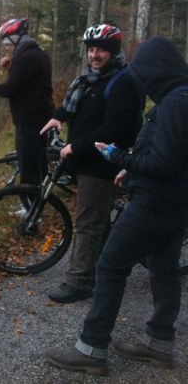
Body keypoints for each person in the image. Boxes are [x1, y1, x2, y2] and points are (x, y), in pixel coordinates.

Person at [45, 36, 188, 376]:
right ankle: (158, 345)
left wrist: (117, 156)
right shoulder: (181, 97)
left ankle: (91, 349)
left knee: (109, 265)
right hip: (176, 203)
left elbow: (164, 166)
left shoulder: (174, 105)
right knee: (163, 267)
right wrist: (131, 165)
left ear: (155, 71)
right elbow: (172, 156)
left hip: (156, 202)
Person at [39, 25, 143, 304]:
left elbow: (115, 128)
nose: (94, 55)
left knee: (88, 224)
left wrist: (76, 145)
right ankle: (101, 270)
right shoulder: (93, 79)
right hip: (87, 162)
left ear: (113, 52)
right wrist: (58, 117)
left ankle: (79, 282)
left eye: (101, 50)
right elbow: (79, 106)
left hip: (102, 164)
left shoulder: (123, 82)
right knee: (99, 221)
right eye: (91, 49)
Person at [0, 18, 53, 186]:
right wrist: (12, 68)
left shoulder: (25, 58)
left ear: (16, 38)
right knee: (39, 162)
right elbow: (28, 82)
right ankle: (37, 199)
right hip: (42, 115)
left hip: (29, 119)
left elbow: (10, 89)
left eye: (7, 42)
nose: (6, 47)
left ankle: (29, 205)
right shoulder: (39, 54)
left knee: (27, 164)